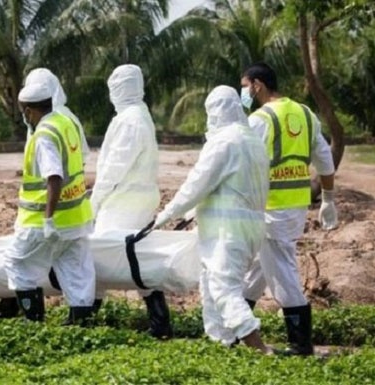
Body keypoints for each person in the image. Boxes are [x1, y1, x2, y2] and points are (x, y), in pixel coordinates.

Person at [154, 85, 272, 354]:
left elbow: (197, 183)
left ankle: (259, 348)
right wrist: (190, 213)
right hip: (248, 227)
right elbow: (230, 185)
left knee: (224, 289)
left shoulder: (224, 142)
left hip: (227, 232)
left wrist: (165, 215)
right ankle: (221, 344)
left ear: (216, 112)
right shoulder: (252, 140)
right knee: (210, 286)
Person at [239, 62, 338, 356]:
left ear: (257, 85)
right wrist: (329, 198)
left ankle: (300, 343)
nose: (243, 92)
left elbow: (242, 163)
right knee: (259, 269)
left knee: (281, 273)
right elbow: (324, 160)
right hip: (295, 207)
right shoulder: (305, 114)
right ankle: (235, 327)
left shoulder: (260, 119)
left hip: (271, 210)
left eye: (244, 86)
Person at [0, 67, 91, 320]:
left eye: (24, 113)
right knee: (75, 272)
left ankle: (34, 325)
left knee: (17, 263)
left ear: (30, 110)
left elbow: (54, 177)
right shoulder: (67, 123)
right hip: (77, 217)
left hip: (45, 219)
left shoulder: (43, 134)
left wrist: (49, 219)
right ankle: (80, 323)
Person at [90, 64, 173, 339]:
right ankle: (159, 321)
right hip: (137, 198)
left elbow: (115, 167)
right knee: (136, 259)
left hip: (122, 201)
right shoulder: (139, 115)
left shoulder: (130, 120)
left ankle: (86, 315)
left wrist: (95, 199)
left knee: (100, 256)